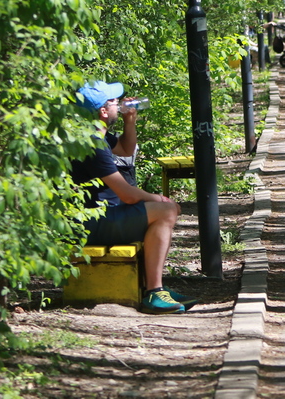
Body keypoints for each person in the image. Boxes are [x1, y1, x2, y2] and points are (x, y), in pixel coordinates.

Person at [72, 81, 198, 315]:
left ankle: (156, 289)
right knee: (167, 211)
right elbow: (128, 196)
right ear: (102, 111)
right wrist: (157, 198)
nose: (118, 104)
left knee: (167, 210)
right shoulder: (92, 144)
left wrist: (130, 120)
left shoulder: (96, 136)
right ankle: (154, 292)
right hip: (92, 223)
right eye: (113, 102)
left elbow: (126, 149)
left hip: (102, 217)